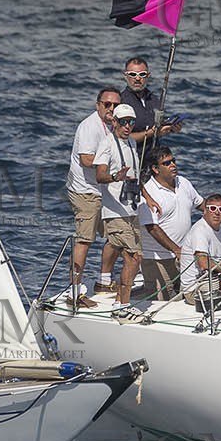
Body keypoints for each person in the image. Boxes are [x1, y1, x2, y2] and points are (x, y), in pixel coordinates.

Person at [65, 87, 121, 307]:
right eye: (107, 104)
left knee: (117, 235)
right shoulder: (89, 127)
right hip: (86, 191)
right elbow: (87, 160)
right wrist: (113, 165)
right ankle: (74, 293)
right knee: (84, 241)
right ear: (98, 105)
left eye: (115, 105)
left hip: (105, 190)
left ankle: (104, 281)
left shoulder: (114, 125)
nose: (111, 109)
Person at [93, 104, 143, 312]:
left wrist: (148, 198)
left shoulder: (131, 142)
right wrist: (115, 177)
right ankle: (123, 305)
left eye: (131, 122)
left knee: (133, 256)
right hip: (115, 213)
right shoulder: (107, 144)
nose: (128, 126)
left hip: (131, 210)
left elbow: (135, 177)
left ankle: (118, 299)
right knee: (133, 257)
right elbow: (99, 174)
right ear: (114, 122)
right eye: (123, 122)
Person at [137, 146, 204, 301]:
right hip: (158, 259)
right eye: (167, 163)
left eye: (173, 161)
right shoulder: (148, 193)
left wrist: (218, 208)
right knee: (163, 303)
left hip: (184, 255)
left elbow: (200, 203)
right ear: (155, 169)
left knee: (187, 297)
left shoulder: (183, 183)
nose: (173, 165)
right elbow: (152, 228)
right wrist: (177, 250)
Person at [119, 56, 182, 166]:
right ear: (125, 76)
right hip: (131, 163)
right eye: (132, 74)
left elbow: (157, 128)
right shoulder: (121, 102)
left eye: (142, 74)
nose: (137, 78)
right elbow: (122, 137)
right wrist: (152, 133)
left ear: (148, 76)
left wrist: (171, 129)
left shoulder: (154, 100)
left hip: (153, 163)